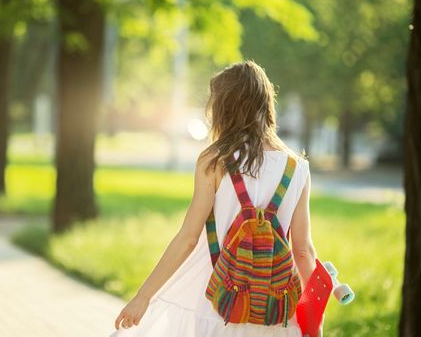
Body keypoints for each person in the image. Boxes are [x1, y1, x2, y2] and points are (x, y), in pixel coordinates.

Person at [110, 60, 322, 337]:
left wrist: (143, 296)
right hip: (275, 310)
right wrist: (314, 322)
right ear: (266, 104)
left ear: (223, 108)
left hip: (217, 304)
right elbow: (304, 252)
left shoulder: (215, 161)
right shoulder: (297, 168)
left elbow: (188, 238)